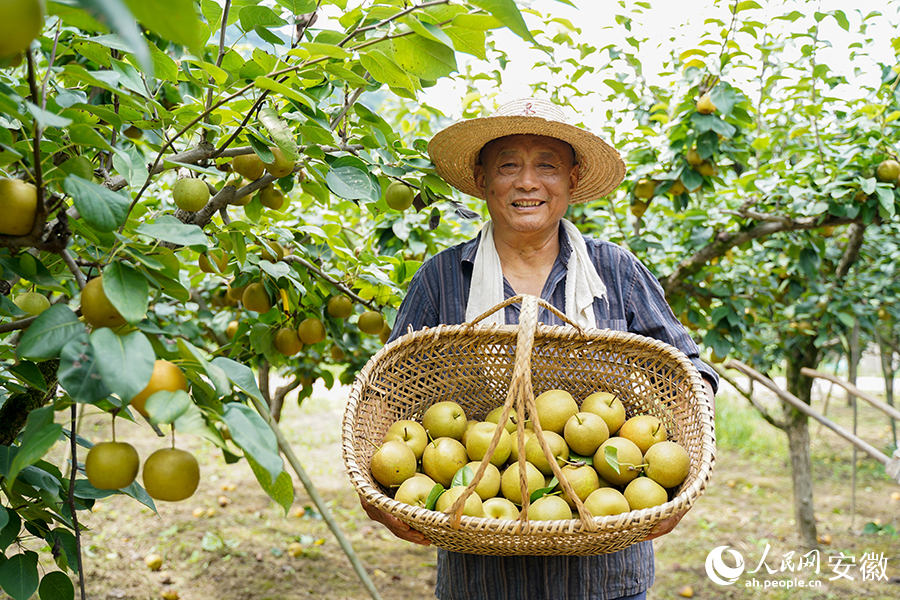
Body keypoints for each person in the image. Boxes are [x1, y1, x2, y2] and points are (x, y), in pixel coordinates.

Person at [360, 98, 718, 600]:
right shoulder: (442, 279)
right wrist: (377, 491)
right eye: (508, 165)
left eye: (546, 165)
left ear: (572, 180)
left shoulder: (616, 272)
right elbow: (386, 396)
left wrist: (683, 468)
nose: (527, 182)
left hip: (604, 574)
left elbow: (689, 373)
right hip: (481, 574)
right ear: (483, 180)